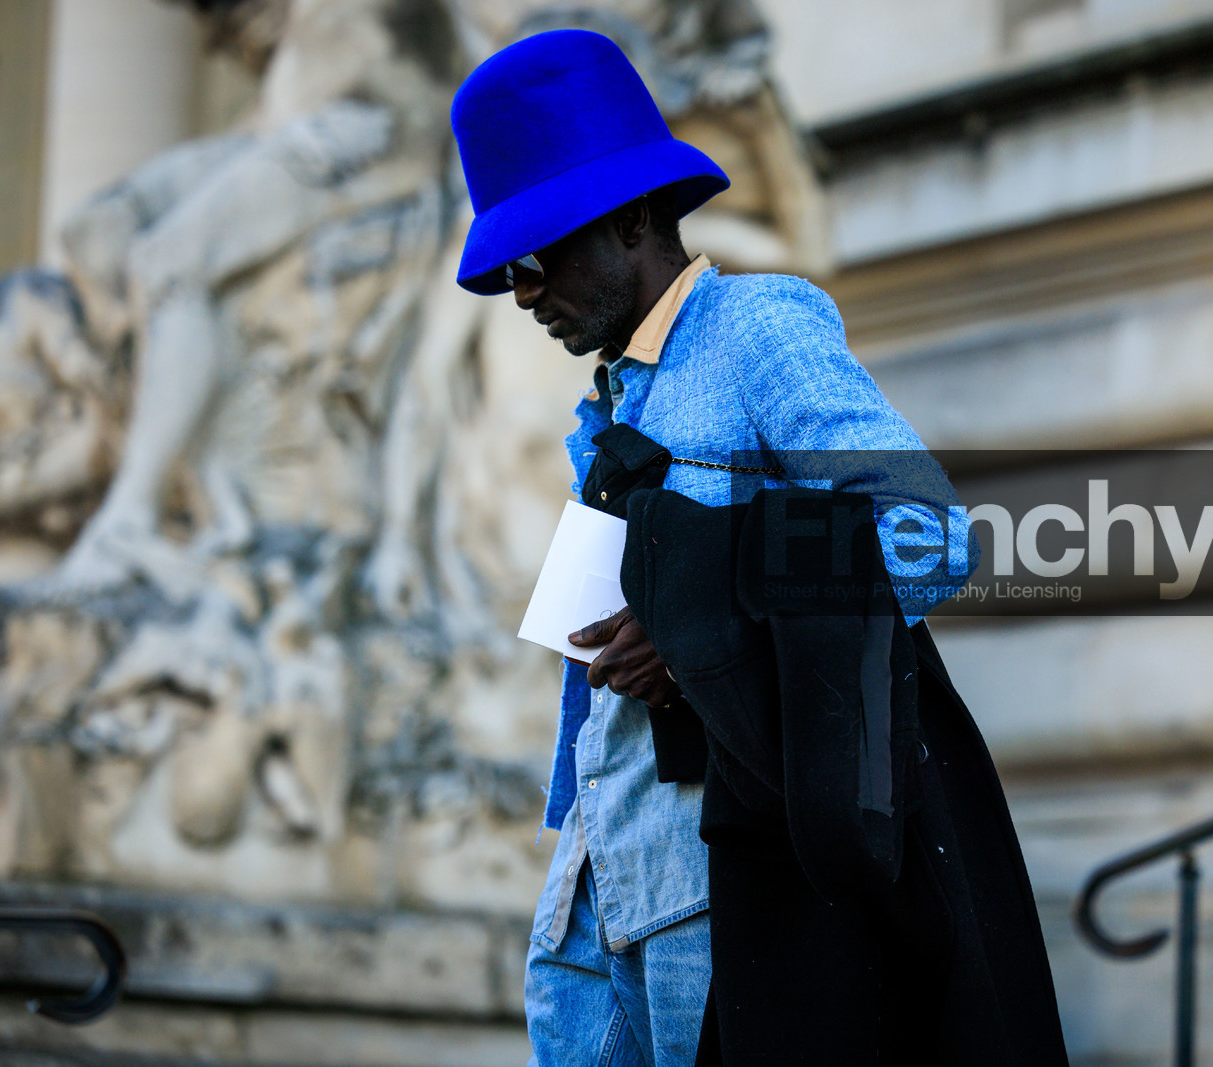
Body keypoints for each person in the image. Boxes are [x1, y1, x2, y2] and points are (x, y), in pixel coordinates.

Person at [451, 28, 992, 1066]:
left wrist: (711, 618)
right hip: (597, 868)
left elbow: (927, 535)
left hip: (725, 872)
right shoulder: (605, 399)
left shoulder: (758, 327)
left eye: (533, 257)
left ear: (633, 220)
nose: (520, 293)